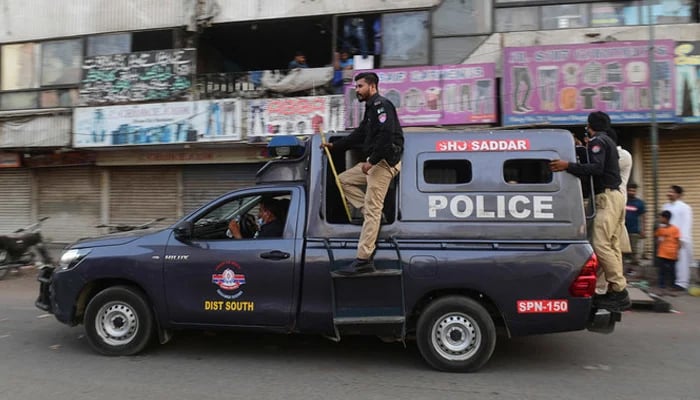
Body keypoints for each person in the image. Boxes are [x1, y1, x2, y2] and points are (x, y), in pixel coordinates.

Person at [320, 72, 404, 275]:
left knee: (373, 210)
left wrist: (372, 161)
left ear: (372, 86)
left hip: (384, 163)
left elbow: (386, 134)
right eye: (356, 86)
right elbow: (358, 135)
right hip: (373, 162)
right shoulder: (370, 110)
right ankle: (371, 216)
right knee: (343, 181)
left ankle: (363, 259)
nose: (356, 90)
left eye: (360, 86)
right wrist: (334, 146)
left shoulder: (381, 105)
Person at [550, 111, 630, 311]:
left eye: (587, 125)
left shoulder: (598, 141)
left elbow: (596, 168)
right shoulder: (607, 141)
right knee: (611, 245)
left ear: (590, 126)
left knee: (600, 244)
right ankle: (614, 290)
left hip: (607, 198)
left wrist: (567, 165)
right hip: (616, 197)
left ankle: (619, 290)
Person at [663, 185, 693, 292]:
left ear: (678, 194)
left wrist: (682, 239)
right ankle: (671, 282)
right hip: (667, 239)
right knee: (669, 261)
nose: (669, 193)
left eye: (672, 192)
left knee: (681, 261)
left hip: (679, 239)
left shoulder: (685, 207)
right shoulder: (666, 206)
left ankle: (682, 283)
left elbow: (686, 224)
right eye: (669, 191)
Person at [654, 210, 680, 295]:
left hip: (672, 254)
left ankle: (672, 288)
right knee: (662, 272)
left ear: (666, 218)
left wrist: (677, 253)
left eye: (661, 217)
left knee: (672, 272)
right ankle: (662, 288)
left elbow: (678, 241)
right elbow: (657, 238)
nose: (660, 219)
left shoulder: (675, 229)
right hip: (662, 254)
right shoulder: (660, 229)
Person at [625, 183, 647, 267]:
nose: (631, 192)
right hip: (623, 231)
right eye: (630, 190)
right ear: (627, 190)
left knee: (633, 252)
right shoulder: (623, 201)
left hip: (634, 231)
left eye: (633, 191)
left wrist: (643, 230)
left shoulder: (639, 203)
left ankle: (634, 271)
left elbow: (643, 217)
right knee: (622, 252)